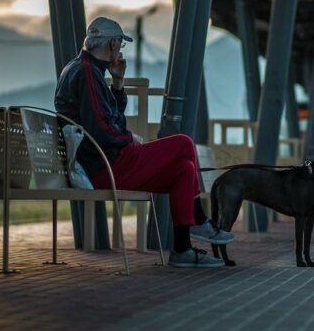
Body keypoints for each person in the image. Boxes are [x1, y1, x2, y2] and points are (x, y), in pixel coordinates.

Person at [54, 16, 234, 268]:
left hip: (103, 162)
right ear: (113, 44)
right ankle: (200, 221)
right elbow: (102, 128)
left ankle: (182, 249)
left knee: (184, 170)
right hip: (105, 166)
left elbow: (110, 118)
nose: (120, 50)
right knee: (183, 143)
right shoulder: (86, 73)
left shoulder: (82, 69)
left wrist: (117, 83)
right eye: (119, 44)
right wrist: (131, 140)